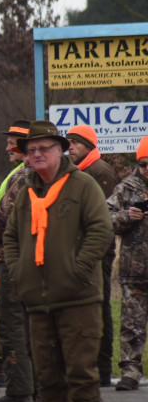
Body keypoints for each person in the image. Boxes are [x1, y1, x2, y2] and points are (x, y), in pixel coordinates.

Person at [3, 121, 113, 402]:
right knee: (48, 373)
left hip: (78, 298)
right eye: (30, 150)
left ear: (60, 150)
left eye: (44, 148)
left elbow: (101, 229)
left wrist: (78, 270)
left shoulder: (82, 185)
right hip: (37, 300)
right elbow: (10, 238)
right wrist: (19, 273)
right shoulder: (26, 193)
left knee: (80, 371)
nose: (36, 154)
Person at [0, 120, 38, 402]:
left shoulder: (22, 177)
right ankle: (39, 389)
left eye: (13, 142)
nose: (7, 147)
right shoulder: (61, 175)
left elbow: (3, 217)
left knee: (12, 324)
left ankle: (19, 390)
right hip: (42, 261)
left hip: (14, 259)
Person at [66, 124, 119, 387]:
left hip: (98, 252)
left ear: (89, 145)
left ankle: (103, 368)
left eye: (76, 143)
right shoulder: (82, 171)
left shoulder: (100, 172)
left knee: (100, 306)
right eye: (69, 143)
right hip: (82, 250)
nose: (71, 148)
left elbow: (106, 218)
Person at [106, 136, 148, 392]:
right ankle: (130, 371)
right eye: (144, 164)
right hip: (135, 271)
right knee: (132, 324)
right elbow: (103, 216)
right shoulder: (126, 188)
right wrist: (125, 216)